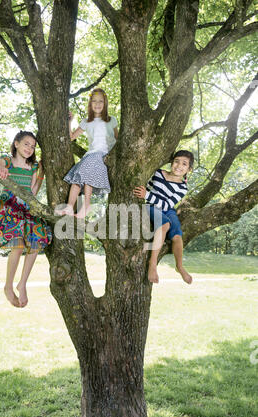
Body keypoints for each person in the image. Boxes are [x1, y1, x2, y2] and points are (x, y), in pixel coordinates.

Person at [0, 131, 52, 308]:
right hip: (9, 205)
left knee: (35, 244)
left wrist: (41, 174)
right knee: (18, 245)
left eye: (33, 146)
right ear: (16, 144)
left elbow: (33, 192)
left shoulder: (34, 167)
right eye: (26, 144)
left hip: (26, 208)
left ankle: (22, 283)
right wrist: (1, 168)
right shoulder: (8, 161)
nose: (30, 148)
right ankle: (8, 285)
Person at [55, 88, 118, 218]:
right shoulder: (86, 121)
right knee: (77, 179)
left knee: (86, 174)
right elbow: (71, 137)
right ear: (90, 104)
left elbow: (119, 140)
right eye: (94, 101)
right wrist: (70, 122)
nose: (97, 104)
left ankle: (87, 206)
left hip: (103, 154)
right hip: (90, 155)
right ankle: (69, 207)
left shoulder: (112, 120)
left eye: (101, 101)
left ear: (105, 103)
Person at [133, 150, 194, 284]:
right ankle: (153, 264)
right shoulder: (158, 173)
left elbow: (167, 205)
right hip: (150, 206)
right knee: (165, 225)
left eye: (184, 164)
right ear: (171, 163)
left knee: (177, 236)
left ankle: (179, 266)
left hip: (167, 210)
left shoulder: (183, 188)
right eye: (176, 161)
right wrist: (146, 196)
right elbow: (147, 188)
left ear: (189, 169)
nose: (179, 166)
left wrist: (147, 195)